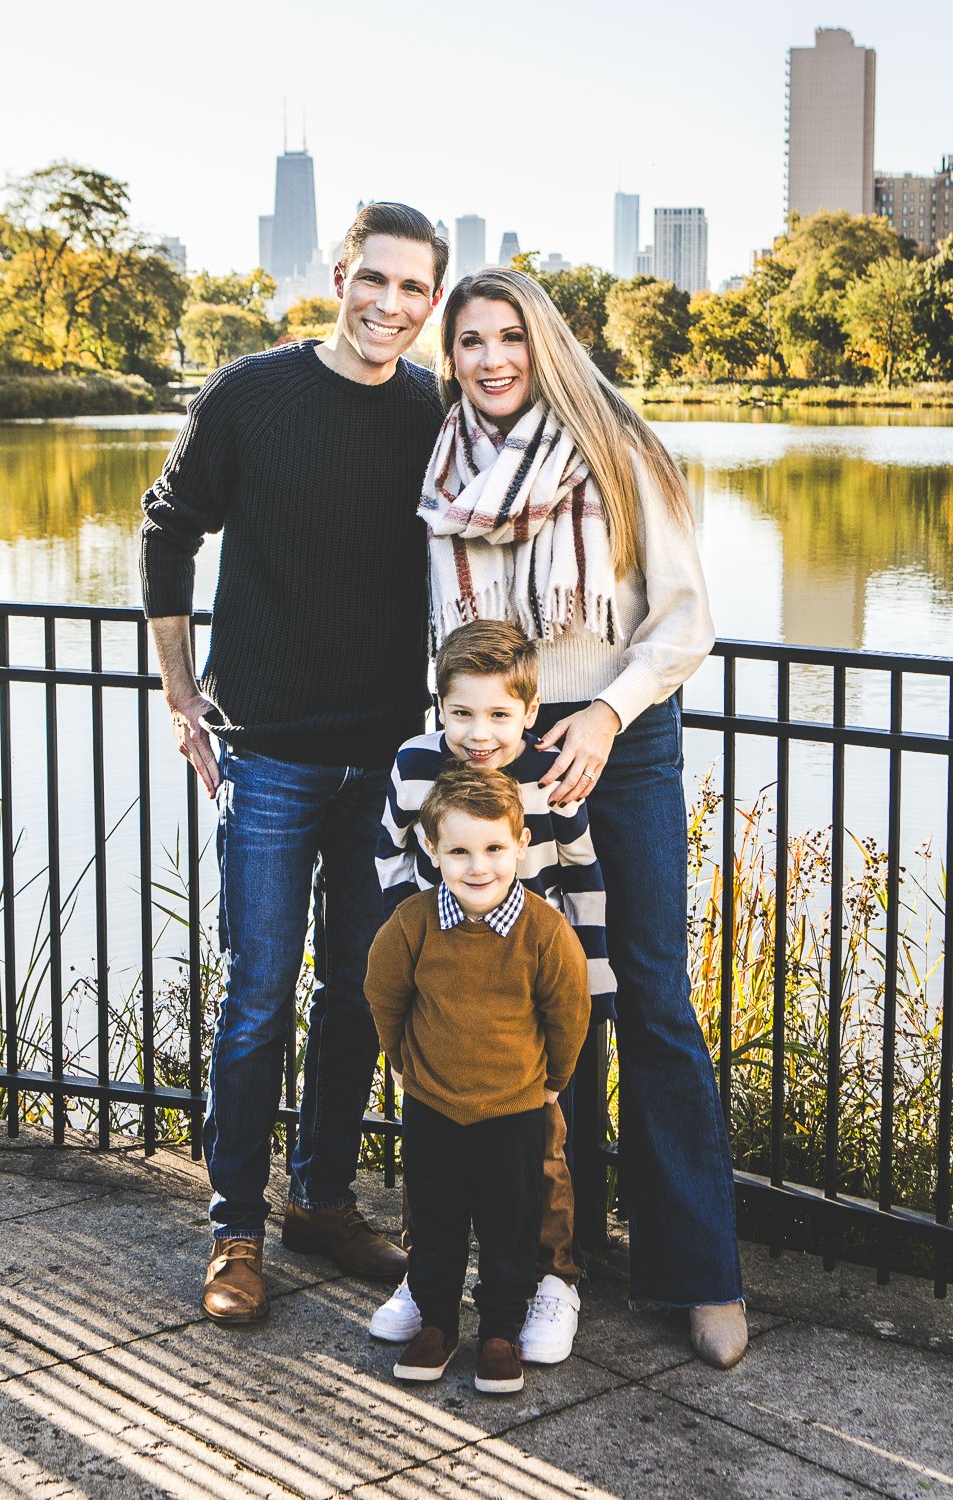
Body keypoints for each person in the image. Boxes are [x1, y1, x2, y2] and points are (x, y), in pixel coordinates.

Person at [417, 268, 748, 1370]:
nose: (492, 357)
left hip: (621, 732)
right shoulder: (437, 463)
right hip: (499, 745)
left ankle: (698, 1272)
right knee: (547, 1006)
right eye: (470, 340)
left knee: (651, 995)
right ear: (449, 353)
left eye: (510, 336)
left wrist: (604, 712)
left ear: (544, 344)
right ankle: (561, 1259)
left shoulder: (618, 447)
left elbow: (685, 616)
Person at [139, 202, 448, 1324]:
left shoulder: (431, 407)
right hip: (265, 757)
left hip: (384, 764)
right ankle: (234, 1231)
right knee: (258, 997)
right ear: (338, 275)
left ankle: (321, 1201)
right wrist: (180, 692)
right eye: (375, 280)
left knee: (360, 995)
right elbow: (166, 526)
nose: (391, 306)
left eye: (415, 290)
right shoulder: (248, 394)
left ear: (431, 301)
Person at [370, 618, 614, 1364]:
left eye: (499, 715)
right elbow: (388, 848)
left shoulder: (548, 774)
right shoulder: (414, 765)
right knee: (432, 1145)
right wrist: (410, 932)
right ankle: (427, 1281)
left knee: (541, 1145)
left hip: (529, 981)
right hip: (445, 969)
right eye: (462, 714)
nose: (480, 733)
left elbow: (581, 869)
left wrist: (590, 976)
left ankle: (550, 1279)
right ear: (439, 707)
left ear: (529, 714)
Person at [364, 766, 591, 1393]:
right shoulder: (413, 923)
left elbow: (569, 1009)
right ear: (431, 850)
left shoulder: (544, 931)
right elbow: (384, 994)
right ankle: (436, 1323)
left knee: (510, 1225)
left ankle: (499, 1331)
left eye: (494, 848)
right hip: (434, 1104)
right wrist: (403, 1062)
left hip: (515, 1109)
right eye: (459, 851)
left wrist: (553, 1084)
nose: (478, 866)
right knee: (435, 1220)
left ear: (519, 845)